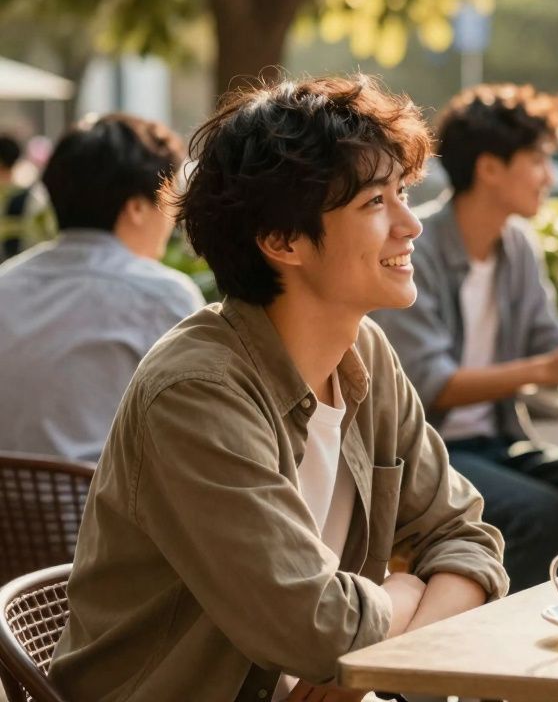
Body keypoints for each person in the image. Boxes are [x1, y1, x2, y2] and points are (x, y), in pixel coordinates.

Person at [50, 75, 508, 702]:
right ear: (282, 240)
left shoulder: (365, 354)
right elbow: (322, 633)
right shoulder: (196, 393)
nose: (411, 225)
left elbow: (468, 540)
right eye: (375, 202)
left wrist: (367, 671)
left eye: (402, 193)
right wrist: (398, 601)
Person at [371, 84, 558, 593]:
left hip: (499, 441)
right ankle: (507, 636)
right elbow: (433, 385)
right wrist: (546, 368)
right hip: (431, 450)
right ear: (489, 168)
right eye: (538, 160)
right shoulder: (418, 248)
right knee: (542, 512)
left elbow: (552, 348)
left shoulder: (516, 247)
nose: (550, 176)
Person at [0, 114, 204, 461]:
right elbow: (200, 428)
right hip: (104, 495)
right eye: (170, 199)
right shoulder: (162, 296)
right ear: (137, 208)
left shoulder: (6, 283)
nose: (172, 219)